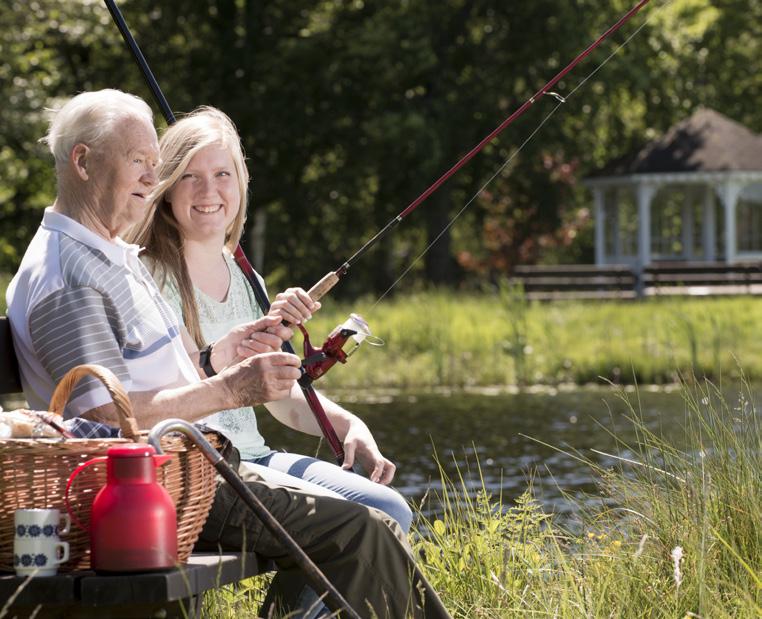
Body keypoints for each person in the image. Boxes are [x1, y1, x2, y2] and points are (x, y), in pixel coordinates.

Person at [5, 89, 450, 619]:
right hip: (159, 483)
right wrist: (232, 388)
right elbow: (104, 418)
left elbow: (143, 385)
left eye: (154, 163)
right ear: (82, 161)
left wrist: (218, 358)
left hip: (190, 469)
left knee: (371, 524)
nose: (153, 177)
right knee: (363, 530)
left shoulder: (105, 253)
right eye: (139, 162)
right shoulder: (69, 275)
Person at [128, 106, 412, 532]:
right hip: (205, 468)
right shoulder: (148, 274)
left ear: (241, 184)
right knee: (364, 521)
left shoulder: (246, 277)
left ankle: (294, 606)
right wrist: (231, 355)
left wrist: (351, 424)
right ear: (167, 188)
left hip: (258, 456)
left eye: (223, 174)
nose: (209, 191)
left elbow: (283, 400)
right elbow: (166, 391)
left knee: (390, 508)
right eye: (190, 175)